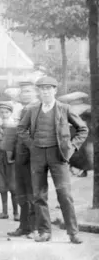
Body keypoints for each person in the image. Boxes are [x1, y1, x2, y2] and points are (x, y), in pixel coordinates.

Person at [16, 76, 88, 244]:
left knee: (64, 195)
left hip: (59, 156)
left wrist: (72, 148)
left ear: (55, 90)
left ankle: (73, 233)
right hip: (38, 156)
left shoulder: (64, 108)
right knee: (39, 196)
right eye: (42, 89)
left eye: (48, 88)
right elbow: (21, 129)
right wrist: (31, 145)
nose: (45, 91)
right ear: (39, 92)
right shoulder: (33, 110)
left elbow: (82, 129)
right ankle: (44, 232)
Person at [7, 80, 39, 239]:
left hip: (33, 157)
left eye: (28, 91)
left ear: (36, 93)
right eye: (22, 91)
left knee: (32, 193)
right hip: (20, 156)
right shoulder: (21, 109)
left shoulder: (38, 109)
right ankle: (24, 226)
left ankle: (33, 228)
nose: (24, 94)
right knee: (21, 193)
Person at [0, 101, 19, 221]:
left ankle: (16, 213)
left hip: (11, 158)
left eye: (6, 112)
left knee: (13, 186)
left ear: (11, 113)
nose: (4, 114)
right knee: (1, 185)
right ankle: (4, 212)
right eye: (1, 112)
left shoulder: (15, 126)